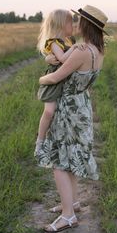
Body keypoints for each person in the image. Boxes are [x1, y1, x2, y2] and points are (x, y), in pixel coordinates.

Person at [35, 5, 109, 233]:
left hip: (68, 108)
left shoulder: (79, 51)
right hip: (83, 105)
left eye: (78, 21)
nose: (75, 24)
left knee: (59, 161)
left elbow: (55, 77)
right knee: (72, 156)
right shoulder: (97, 50)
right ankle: (72, 202)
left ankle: (68, 216)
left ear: (85, 25)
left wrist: (41, 79)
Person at [35, 9, 85, 157]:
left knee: (61, 113)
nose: (74, 25)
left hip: (67, 80)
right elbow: (63, 59)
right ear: (61, 25)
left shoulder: (71, 40)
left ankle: (58, 142)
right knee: (49, 111)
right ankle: (39, 141)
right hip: (55, 81)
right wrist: (75, 48)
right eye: (71, 22)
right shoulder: (55, 43)